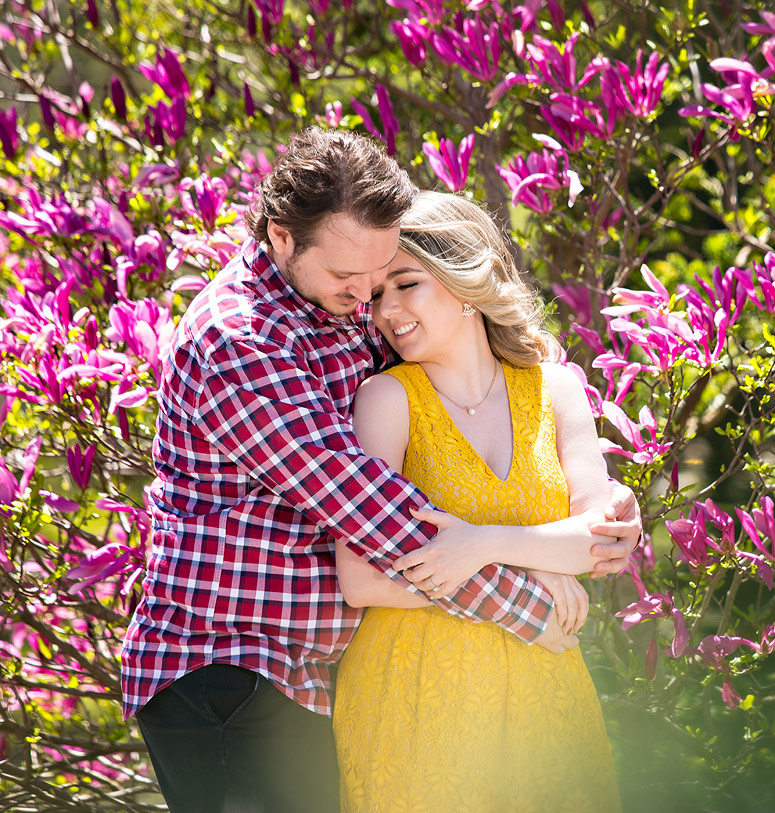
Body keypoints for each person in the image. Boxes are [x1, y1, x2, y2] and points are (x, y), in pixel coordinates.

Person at [119, 128, 640, 813]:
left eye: (381, 271)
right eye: (349, 277)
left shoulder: (341, 307)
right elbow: (374, 514)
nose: (370, 296)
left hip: (306, 669)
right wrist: (531, 597)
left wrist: (581, 528)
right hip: (227, 666)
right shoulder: (237, 341)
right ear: (281, 237)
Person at [332, 191, 623, 813]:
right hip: (416, 698)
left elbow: (601, 540)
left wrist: (482, 543)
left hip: (546, 691)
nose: (386, 310)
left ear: (464, 281)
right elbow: (359, 579)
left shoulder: (557, 389)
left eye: (405, 283)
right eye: (377, 295)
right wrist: (536, 568)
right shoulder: (386, 400)